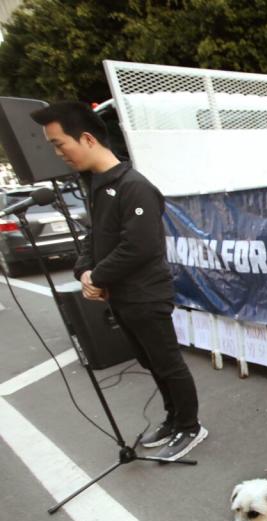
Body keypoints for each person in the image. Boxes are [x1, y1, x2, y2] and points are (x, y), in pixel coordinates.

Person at [31, 102, 204, 462]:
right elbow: (94, 240)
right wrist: (83, 272)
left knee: (168, 363)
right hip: (122, 298)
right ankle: (173, 419)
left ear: (88, 138)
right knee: (150, 363)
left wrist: (99, 275)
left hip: (146, 296)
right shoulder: (97, 185)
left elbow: (140, 247)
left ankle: (190, 426)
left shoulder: (134, 186)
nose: (59, 153)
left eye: (60, 143)